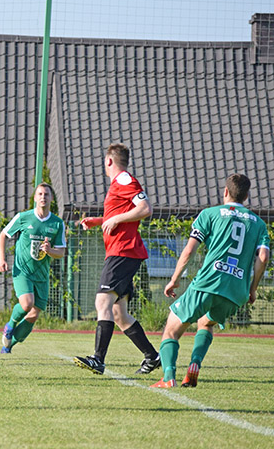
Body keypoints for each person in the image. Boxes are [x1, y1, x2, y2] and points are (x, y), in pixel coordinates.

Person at [151, 174, 270, 388]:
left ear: (226, 191)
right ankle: (194, 365)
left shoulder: (209, 214)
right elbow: (263, 257)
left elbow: (189, 249)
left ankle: (168, 377)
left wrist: (175, 279)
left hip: (208, 282)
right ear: (246, 196)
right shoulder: (259, 224)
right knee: (206, 322)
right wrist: (252, 289)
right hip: (236, 290)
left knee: (171, 329)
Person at [74, 143, 160, 375]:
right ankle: (152, 357)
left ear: (109, 161)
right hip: (124, 252)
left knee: (102, 303)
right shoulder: (119, 183)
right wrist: (100, 220)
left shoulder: (123, 179)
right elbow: (119, 214)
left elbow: (145, 208)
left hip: (123, 251)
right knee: (119, 314)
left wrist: (116, 220)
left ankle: (98, 360)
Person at [0, 183, 66, 353]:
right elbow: (3, 235)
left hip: (41, 275)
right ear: (35, 198)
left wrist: (50, 251)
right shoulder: (23, 217)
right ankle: (10, 324)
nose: (43, 197)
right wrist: (2, 259)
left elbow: (61, 252)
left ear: (51, 198)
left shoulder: (57, 223)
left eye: (47, 194)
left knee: (34, 315)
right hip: (23, 271)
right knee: (27, 304)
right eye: (40, 194)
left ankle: (8, 346)